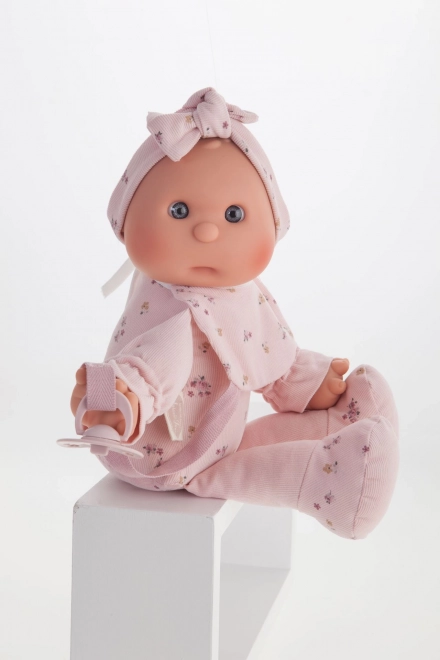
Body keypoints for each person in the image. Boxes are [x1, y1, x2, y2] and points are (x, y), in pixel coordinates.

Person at [69, 88, 399, 539]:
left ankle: (350, 420)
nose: (207, 231)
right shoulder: (176, 309)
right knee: (253, 467)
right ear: (127, 221)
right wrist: (122, 398)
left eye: (234, 214)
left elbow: (262, 346)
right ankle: (337, 487)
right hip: (163, 455)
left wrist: (303, 380)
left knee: (254, 441)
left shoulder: (238, 292)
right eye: (180, 211)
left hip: (220, 435)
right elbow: (154, 364)